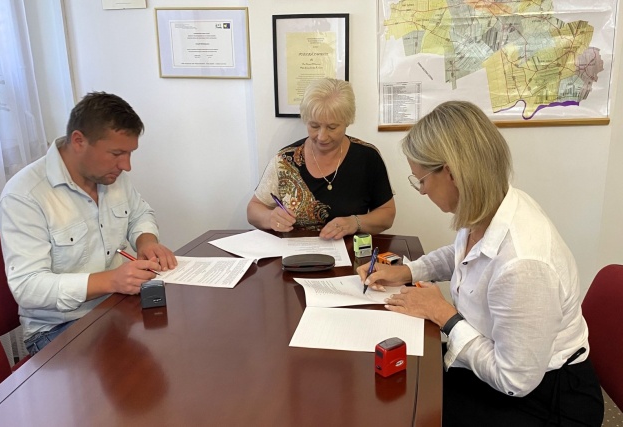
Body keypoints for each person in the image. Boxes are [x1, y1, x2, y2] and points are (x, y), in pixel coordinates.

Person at [358, 101, 603, 426]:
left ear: (452, 173)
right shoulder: (493, 205)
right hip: (495, 360)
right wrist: (406, 271)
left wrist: (443, 314)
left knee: (408, 411)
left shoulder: (523, 263)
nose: (422, 191)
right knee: (401, 384)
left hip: (545, 398)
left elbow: (514, 380)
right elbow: (462, 254)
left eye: (422, 180)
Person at [0, 92, 177, 355]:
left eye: (129, 153)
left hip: (115, 307)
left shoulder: (109, 175)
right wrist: (111, 280)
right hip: (58, 328)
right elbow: (27, 287)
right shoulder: (24, 196)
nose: (126, 165)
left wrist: (147, 241)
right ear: (79, 141)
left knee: (180, 339)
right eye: (117, 153)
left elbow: (140, 214)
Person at [247, 78, 395, 240]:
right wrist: (269, 217)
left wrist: (355, 223)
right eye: (314, 126)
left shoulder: (367, 157)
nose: (322, 136)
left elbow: (387, 214)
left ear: (347, 122)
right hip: (294, 252)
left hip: (350, 251)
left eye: (332, 127)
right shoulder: (285, 160)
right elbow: (253, 209)